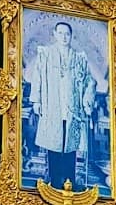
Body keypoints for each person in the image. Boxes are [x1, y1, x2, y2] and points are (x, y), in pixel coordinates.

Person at [24, 21, 97, 189]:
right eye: (61, 33)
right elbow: (38, 77)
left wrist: (87, 103)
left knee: (70, 145)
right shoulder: (46, 54)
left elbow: (89, 81)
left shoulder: (79, 57)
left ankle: (68, 181)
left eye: (67, 34)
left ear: (71, 37)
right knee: (54, 143)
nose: (64, 37)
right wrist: (36, 100)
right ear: (55, 34)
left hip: (72, 109)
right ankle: (54, 181)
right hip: (52, 106)